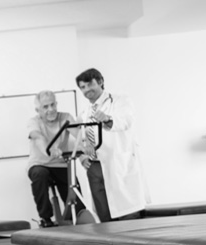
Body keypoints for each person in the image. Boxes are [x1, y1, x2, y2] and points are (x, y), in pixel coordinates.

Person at [75, 68, 149, 222]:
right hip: (94, 166)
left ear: (101, 82)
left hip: (118, 162)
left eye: (90, 84)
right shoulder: (85, 112)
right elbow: (81, 137)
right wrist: (81, 156)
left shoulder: (120, 101)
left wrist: (107, 119)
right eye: (82, 87)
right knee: (104, 216)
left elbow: (126, 120)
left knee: (127, 214)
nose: (86, 90)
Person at [26, 90, 77, 227]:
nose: (51, 109)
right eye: (45, 107)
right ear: (38, 110)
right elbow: (38, 137)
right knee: (39, 174)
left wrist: (85, 146)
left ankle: (75, 217)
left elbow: (78, 134)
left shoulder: (66, 117)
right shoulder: (34, 122)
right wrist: (49, 150)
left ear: (56, 104)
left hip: (60, 164)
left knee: (73, 189)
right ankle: (45, 218)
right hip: (39, 163)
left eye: (53, 104)